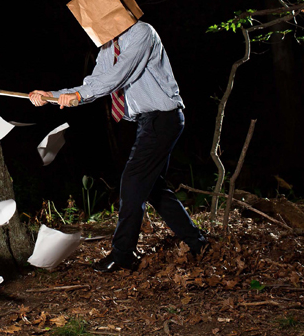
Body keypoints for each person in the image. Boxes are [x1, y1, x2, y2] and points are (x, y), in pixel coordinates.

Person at [29, 18, 209, 272]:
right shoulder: (107, 48)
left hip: (163, 118)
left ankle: (123, 252)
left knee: (132, 182)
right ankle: (197, 242)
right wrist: (51, 96)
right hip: (149, 121)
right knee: (152, 188)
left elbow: (118, 75)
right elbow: (94, 84)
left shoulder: (142, 33)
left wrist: (79, 95)